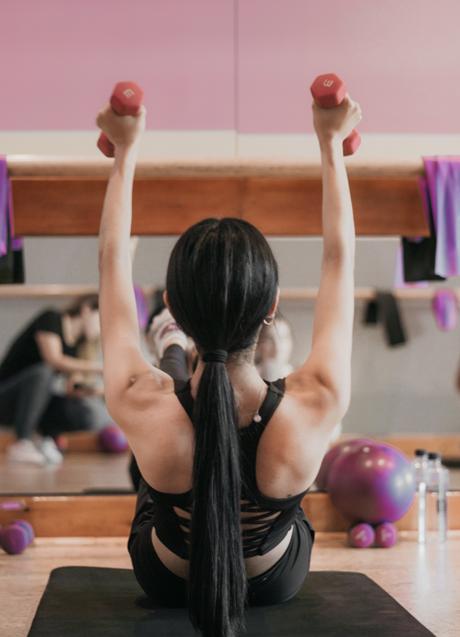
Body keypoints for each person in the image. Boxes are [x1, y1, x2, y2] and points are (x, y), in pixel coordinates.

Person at [96, 87, 360, 637]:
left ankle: (172, 351)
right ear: (271, 309)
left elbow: (112, 262)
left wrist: (125, 152)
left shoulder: (136, 398)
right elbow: (339, 259)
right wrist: (330, 143)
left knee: (161, 444)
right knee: (289, 500)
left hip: (167, 578)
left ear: (173, 304)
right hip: (274, 580)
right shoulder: (319, 398)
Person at [0, 295, 108, 465]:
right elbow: (53, 359)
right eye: (101, 319)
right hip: (5, 397)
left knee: (85, 414)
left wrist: (91, 390)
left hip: (32, 404)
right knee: (43, 372)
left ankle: (47, 439)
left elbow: (72, 388)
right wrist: (99, 367)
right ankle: (22, 442)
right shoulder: (51, 318)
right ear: (86, 309)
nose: (101, 329)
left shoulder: (75, 348)